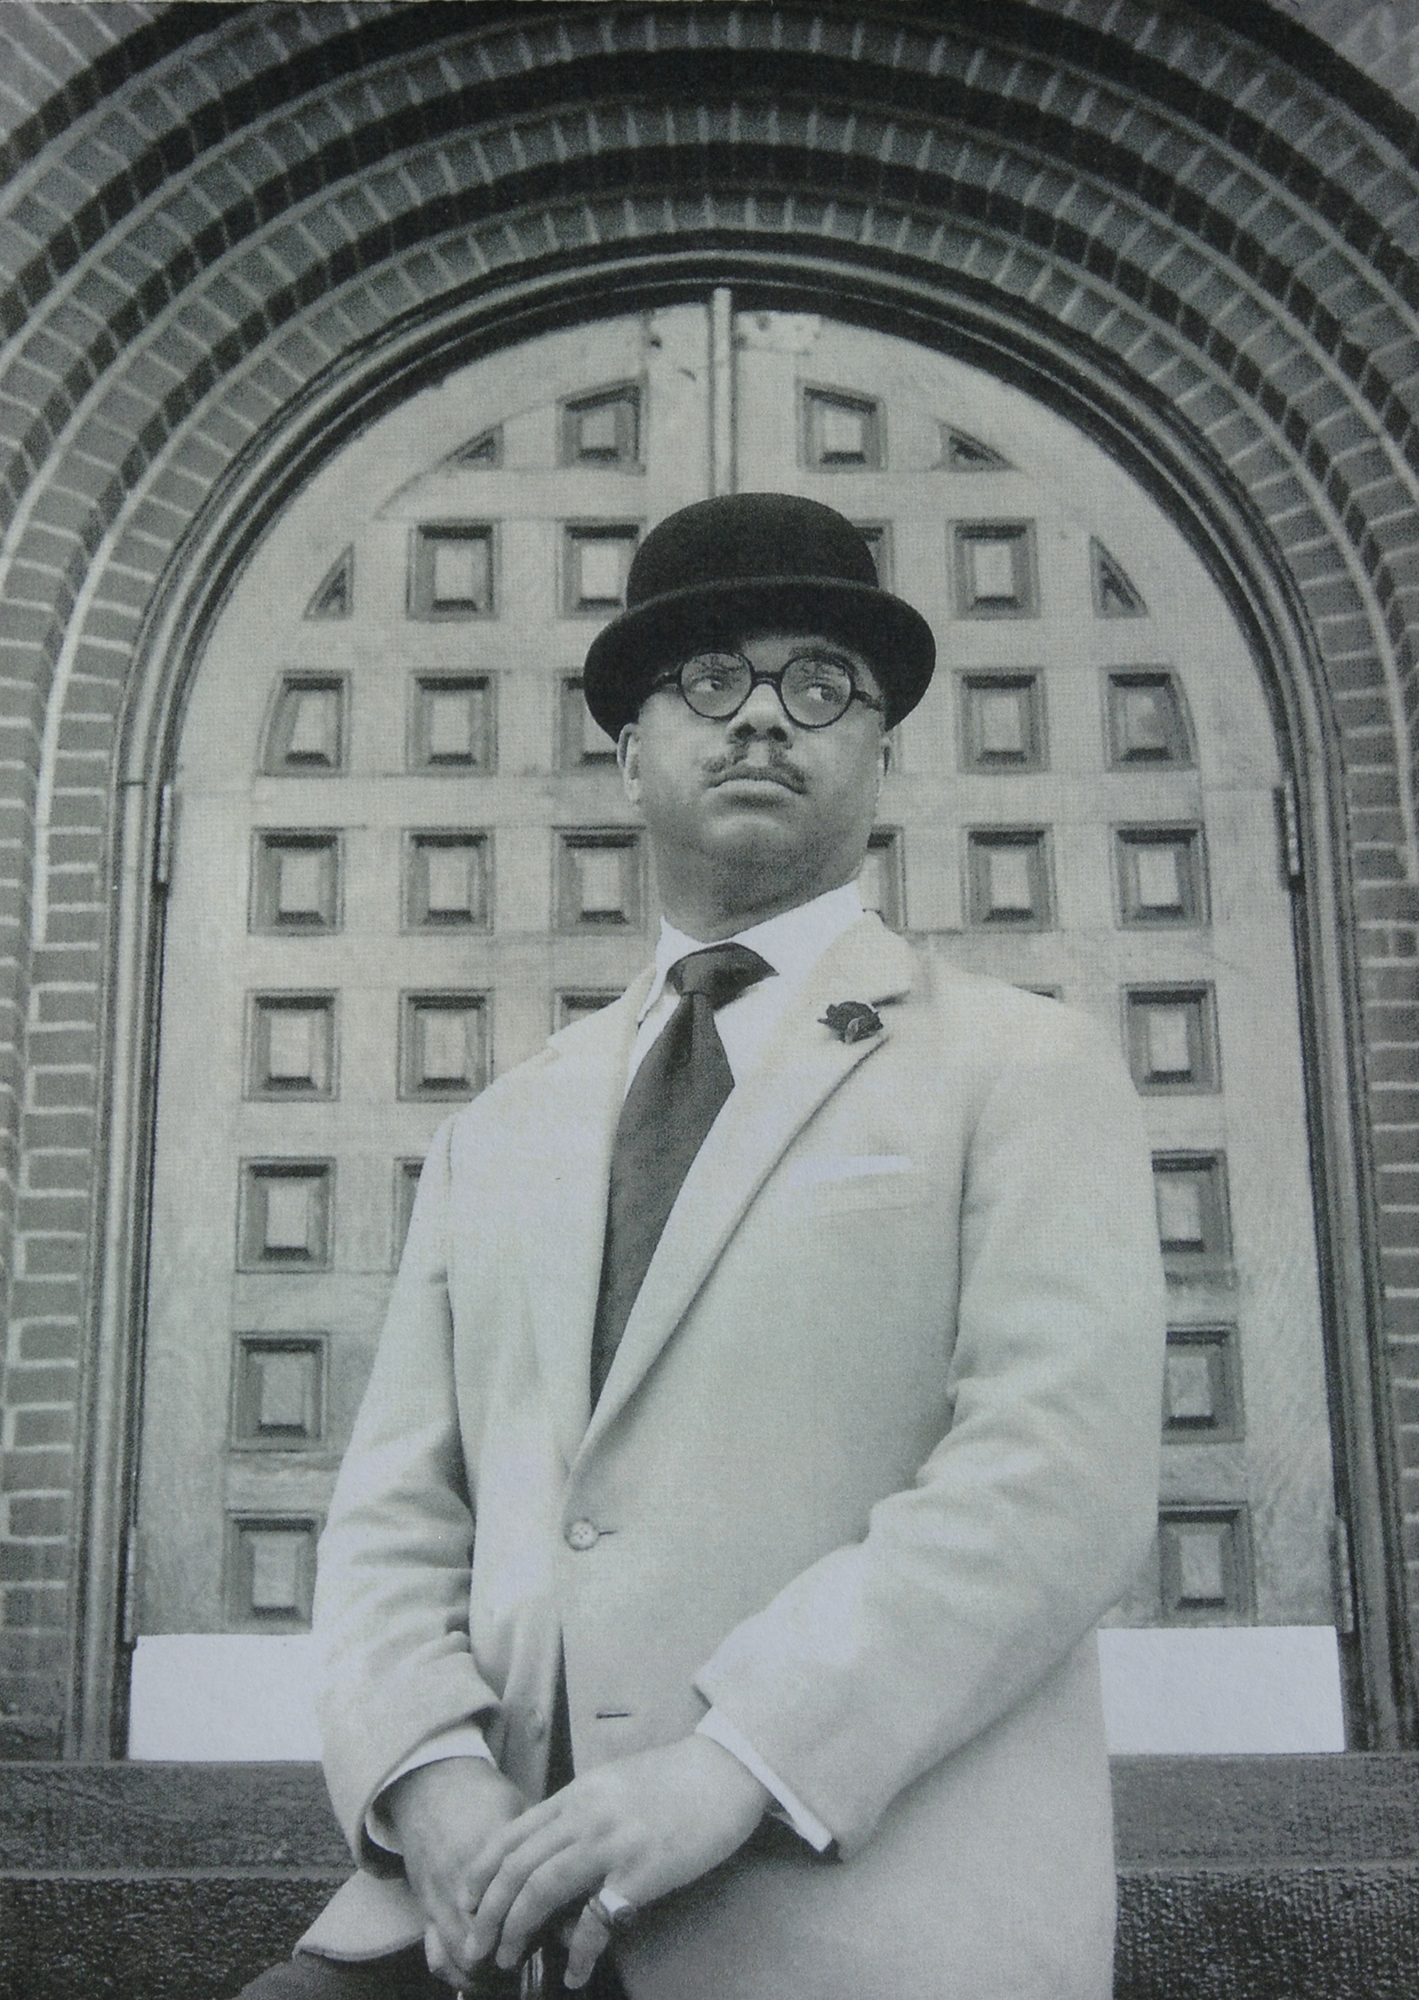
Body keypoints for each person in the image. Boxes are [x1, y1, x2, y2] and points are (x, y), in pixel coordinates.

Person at [238, 492, 1164, 2000]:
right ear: (629, 752)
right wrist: (431, 1783)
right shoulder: (501, 1126)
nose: (761, 724)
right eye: (708, 683)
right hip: (484, 1914)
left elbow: (1056, 1476)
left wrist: (729, 1763)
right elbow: (395, 1517)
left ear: (879, 749)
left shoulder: (1025, 1069)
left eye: (819, 687)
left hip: (847, 1898)